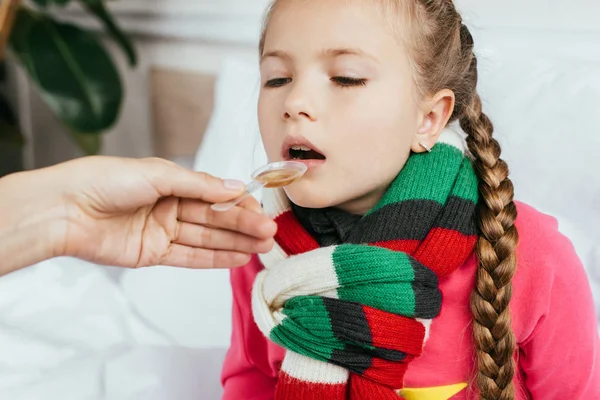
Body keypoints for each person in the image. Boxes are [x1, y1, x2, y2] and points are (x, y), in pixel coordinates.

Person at [220, 1, 600, 399]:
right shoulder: (258, 242)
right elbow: (251, 377)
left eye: (346, 78)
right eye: (277, 79)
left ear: (429, 119)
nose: (294, 102)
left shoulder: (527, 251)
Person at [0, 155, 277, 277]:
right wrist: (67, 210)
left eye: (324, 81)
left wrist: (69, 212)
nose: (293, 102)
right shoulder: (256, 259)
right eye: (278, 80)